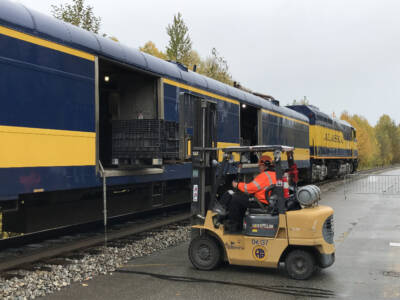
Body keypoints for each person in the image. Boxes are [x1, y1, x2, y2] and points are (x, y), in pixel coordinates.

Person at [221, 155, 277, 231]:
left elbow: (250, 188)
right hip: (268, 201)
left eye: (260, 166)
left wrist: (237, 185)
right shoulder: (275, 174)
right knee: (242, 199)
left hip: (260, 203)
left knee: (235, 199)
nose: (259, 168)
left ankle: (233, 226)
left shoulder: (264, 175)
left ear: (264, 165)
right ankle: (239, 224)